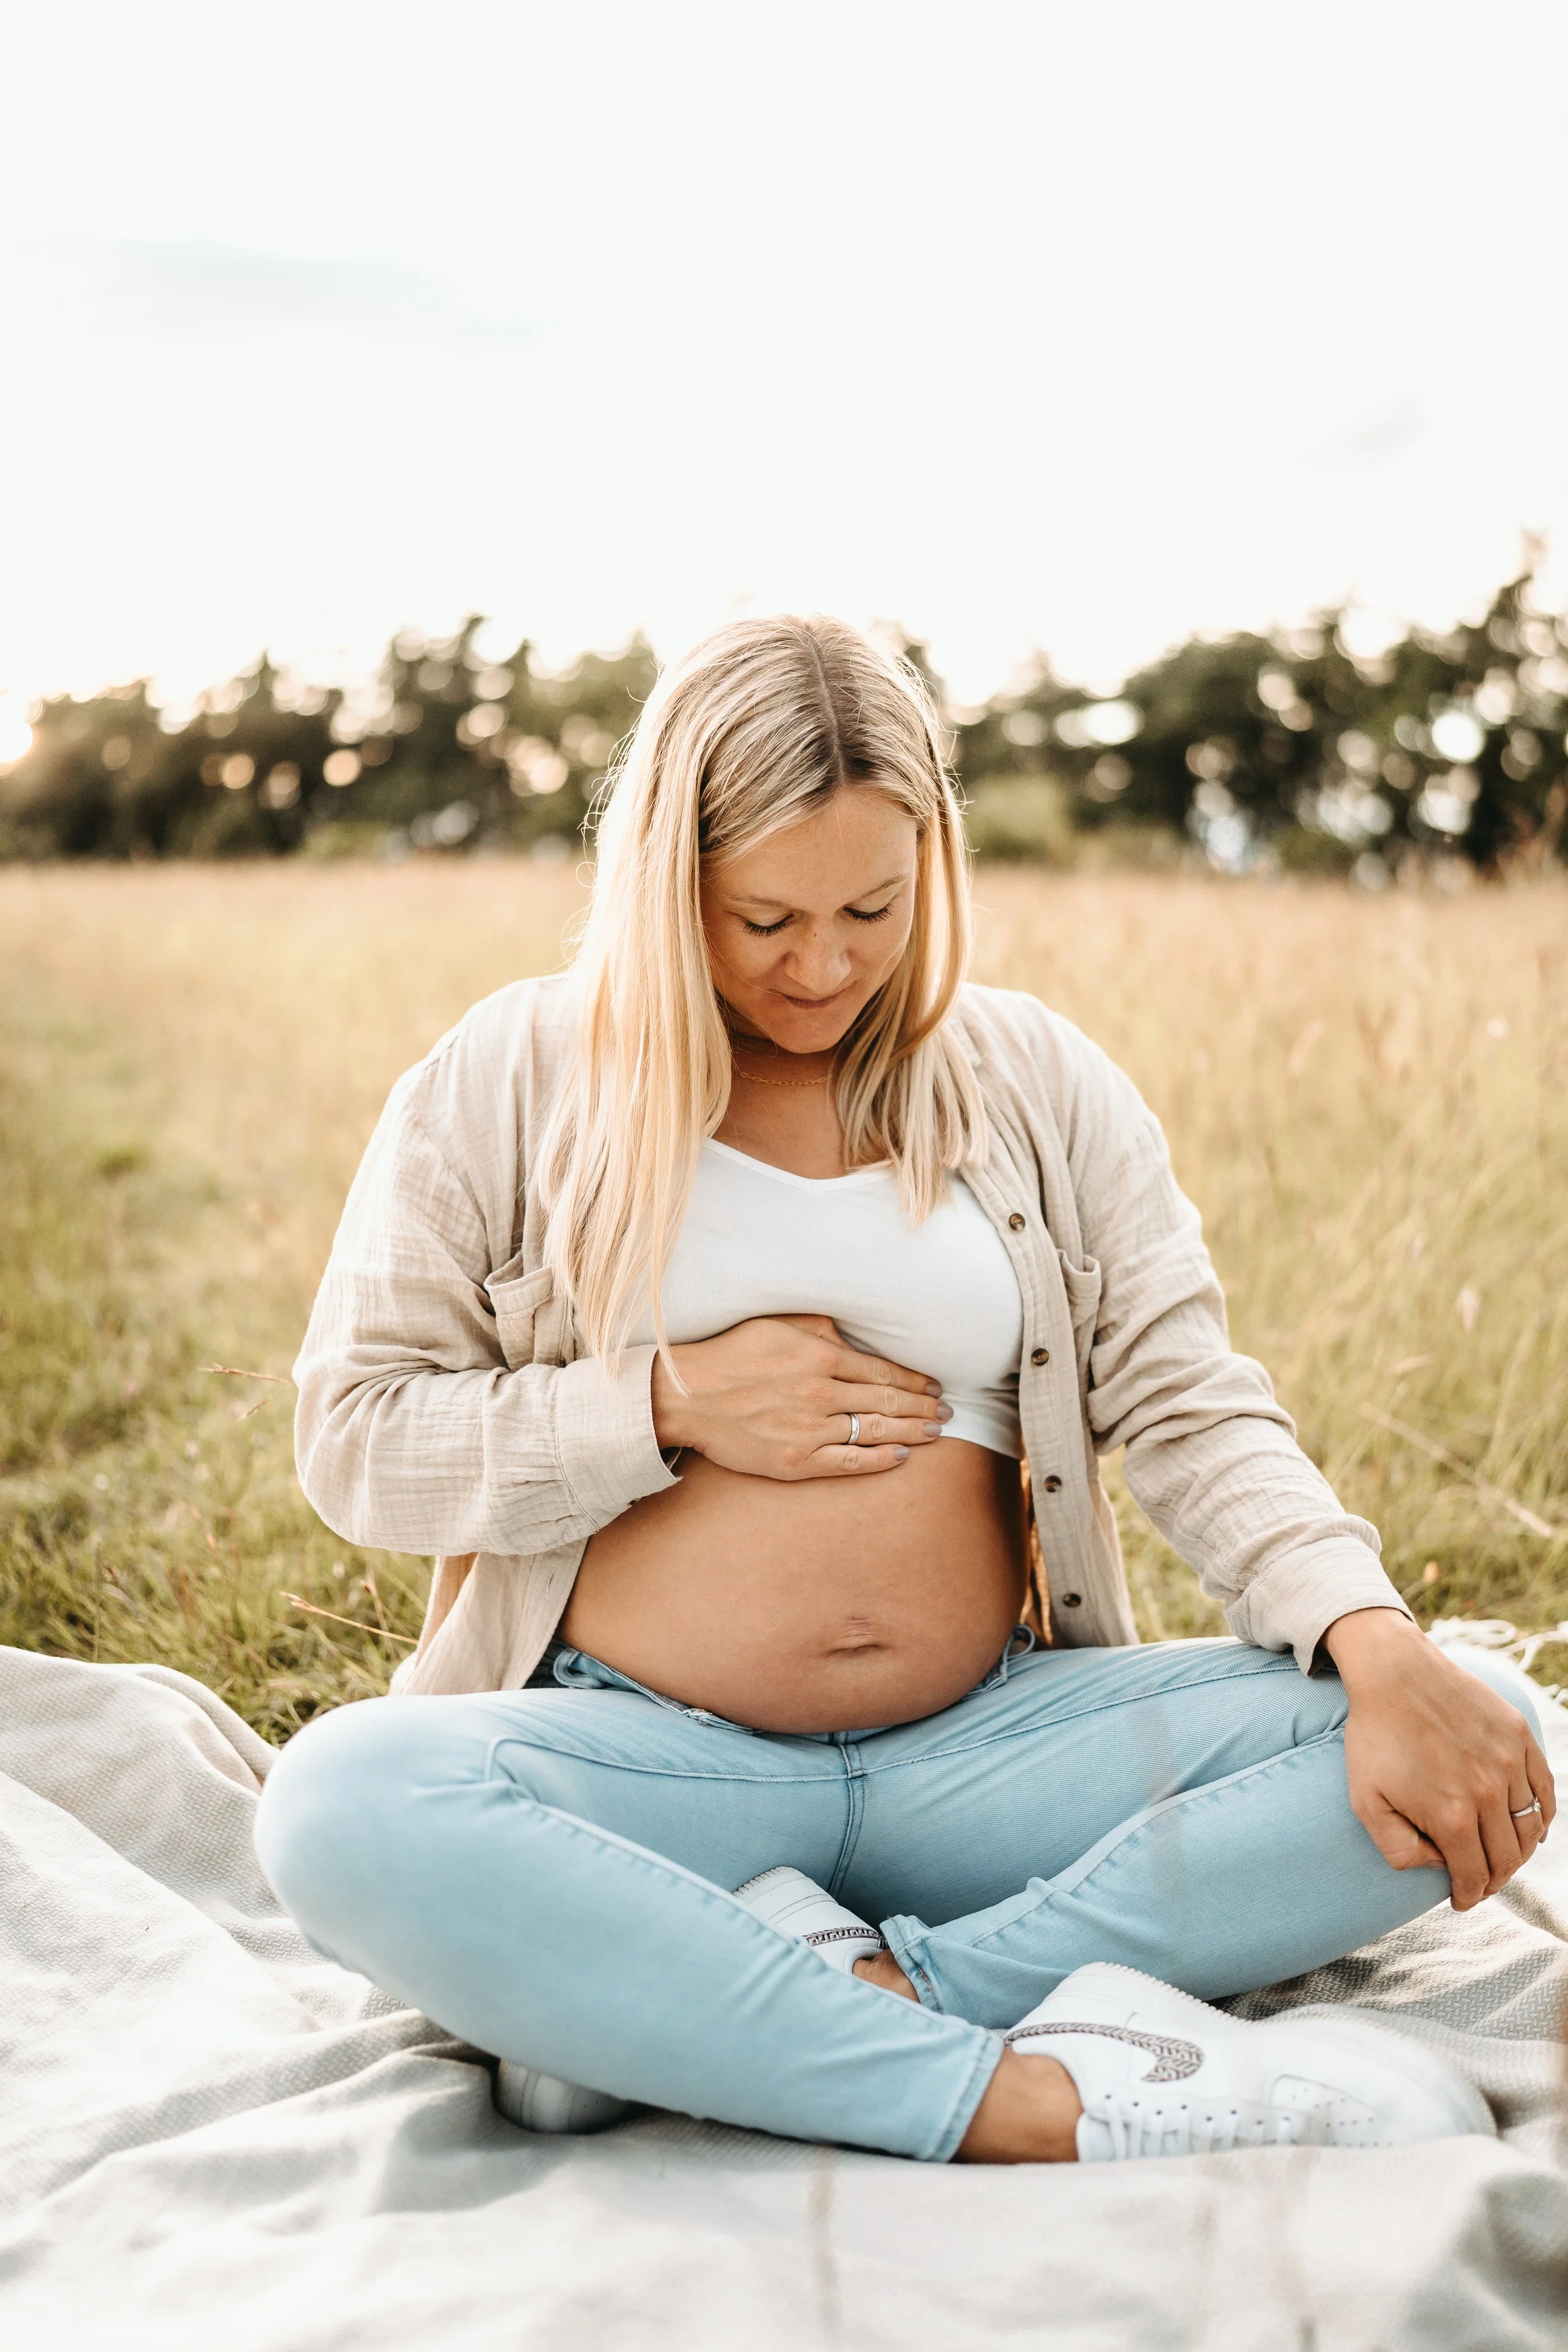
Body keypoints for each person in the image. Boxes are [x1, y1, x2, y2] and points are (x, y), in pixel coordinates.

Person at [256, 615, 1553, 2165]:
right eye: (762, 918)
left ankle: (778, 2003)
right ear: (666, 880)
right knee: (334, 1801)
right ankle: (1023, 2101)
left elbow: (1187, 1402)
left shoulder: (1035, 1078)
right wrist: (664, 1404)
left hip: (984, 1756)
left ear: (932, 862)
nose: (821, 966)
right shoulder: (510, 1074)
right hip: (649, 1765)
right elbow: (356, 1439)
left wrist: (1372, 1638)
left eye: (871, 909)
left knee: (1476, 1725)